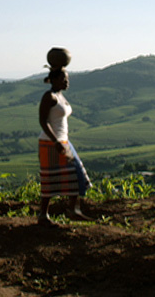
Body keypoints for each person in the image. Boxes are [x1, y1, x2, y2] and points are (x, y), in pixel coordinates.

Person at [37, 68, 92, 226]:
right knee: (50, 179)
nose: (67, 82)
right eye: (63, 79)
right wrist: (55, 141)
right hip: (50, 143)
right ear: (54, 80)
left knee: (76, 174)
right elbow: (43, 121)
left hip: (63, 141)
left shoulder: (60, 96)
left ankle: (73, 210)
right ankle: (44, 215)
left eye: (67, 79)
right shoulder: (49, 97)